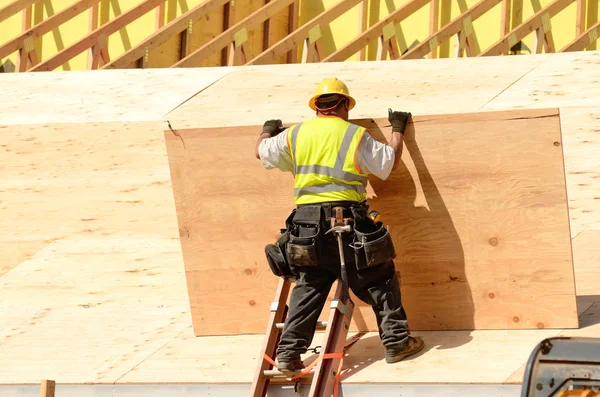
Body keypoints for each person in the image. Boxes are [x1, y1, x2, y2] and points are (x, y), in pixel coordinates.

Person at [254, 77, 424, 372]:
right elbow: (387, 163)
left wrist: (267, 130)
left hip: (306, 227)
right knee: (378, 277)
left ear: (316, 107)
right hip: (348, 220)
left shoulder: (295, 135)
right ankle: (396, 342)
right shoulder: (354, 134)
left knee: (309, 285)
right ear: (344, 104)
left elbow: (260, 151)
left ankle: (288, 354)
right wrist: (397, 129)